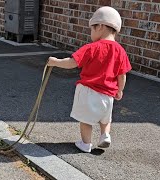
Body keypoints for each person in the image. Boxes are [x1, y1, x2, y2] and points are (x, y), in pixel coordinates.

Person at [47, 6, 132, 153]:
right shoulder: (120, 51)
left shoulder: (92, 48)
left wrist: (55, 62)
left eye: (92, 29)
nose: (91, 33)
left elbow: (72, 62)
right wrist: (119, 90)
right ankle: (105, 135)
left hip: (88, 91)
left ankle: (86, 144)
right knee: (106, 119)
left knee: (86, 120)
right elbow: (122, 75)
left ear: (99, 26)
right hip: (108, 95)